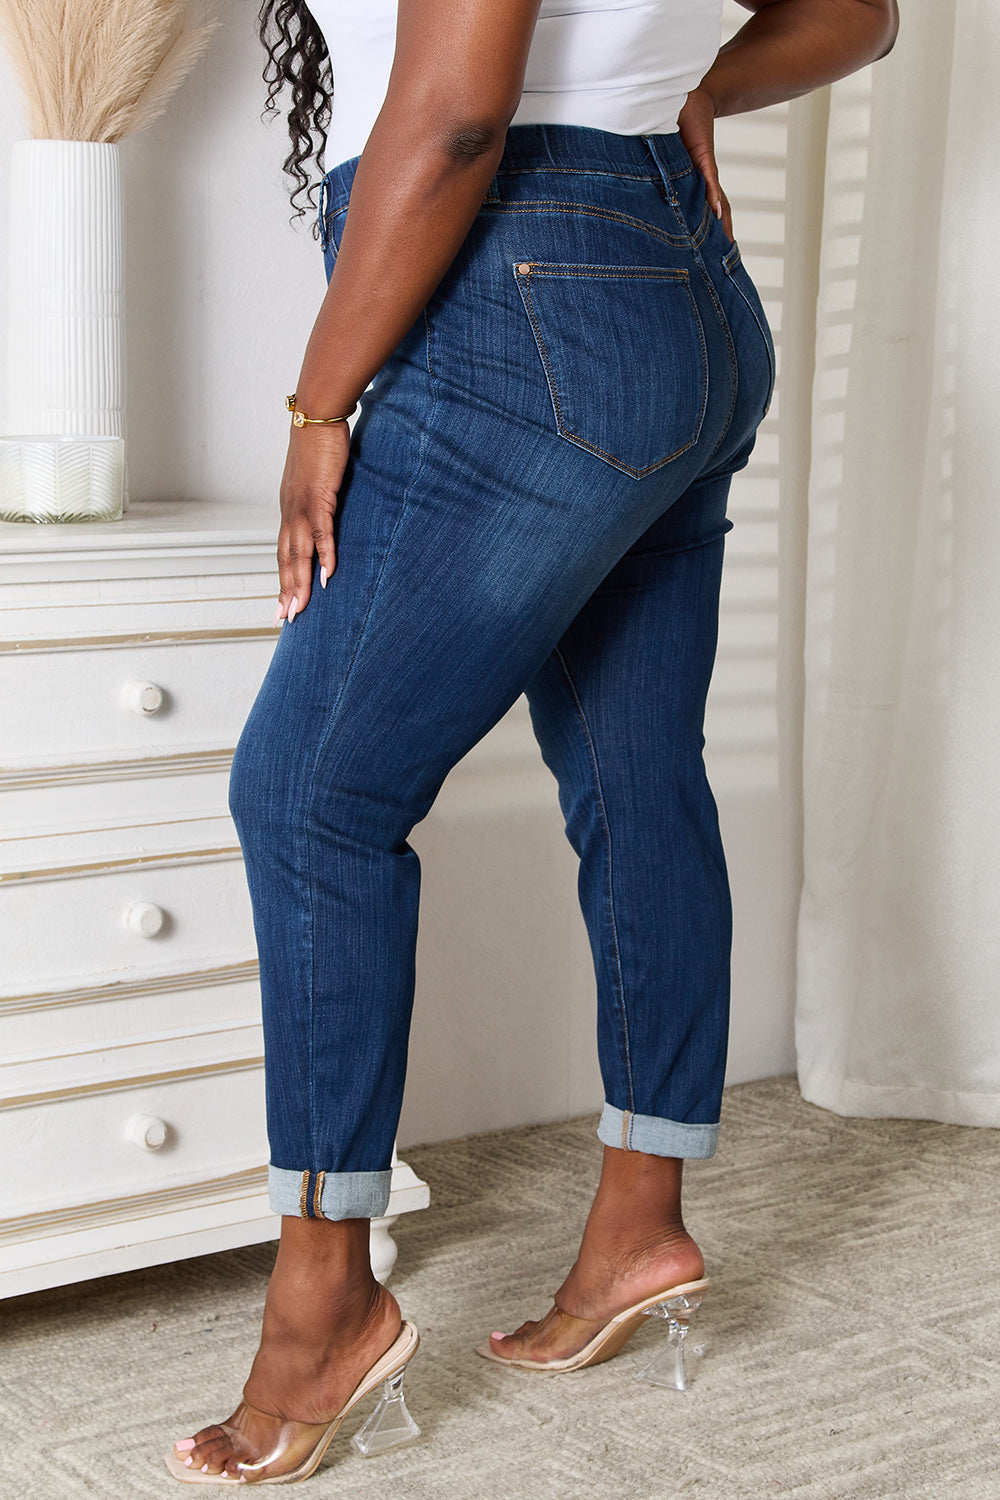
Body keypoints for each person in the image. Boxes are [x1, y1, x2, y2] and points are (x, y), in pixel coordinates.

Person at [165, 0, 898, 1484]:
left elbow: (449, 115)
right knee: (639, 778)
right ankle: (638, 1225)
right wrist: (687, 76)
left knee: (315, 796)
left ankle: (322, 1311)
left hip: (520, 292)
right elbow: (856, 17)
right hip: (675, 295)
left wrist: (318, 405)